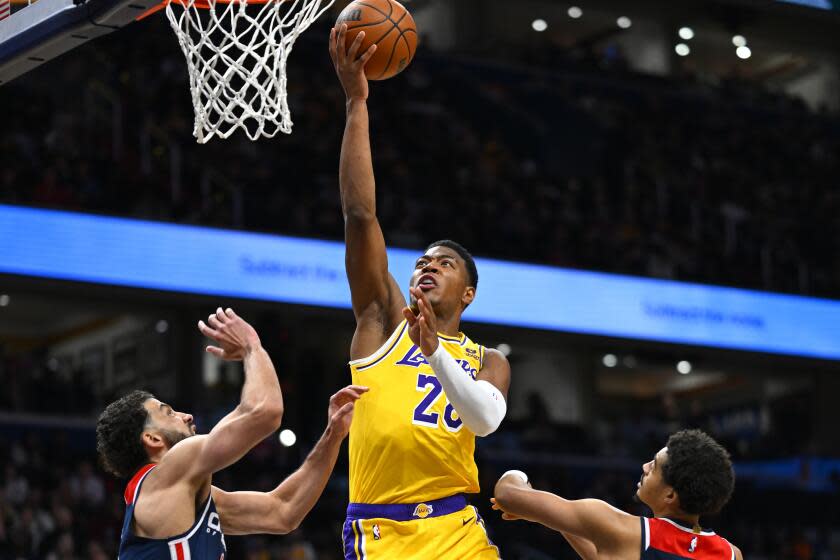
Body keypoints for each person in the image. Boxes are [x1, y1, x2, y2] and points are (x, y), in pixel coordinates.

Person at [328, 24, 511, 559]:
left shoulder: (489, 360)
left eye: (445, 263)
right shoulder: (381, 320)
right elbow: (360, 216)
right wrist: (357, 103)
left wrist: (433, 351)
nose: (428, 267)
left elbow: (484, 420)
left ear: (468, 294)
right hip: (382, 533)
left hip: (458, 528)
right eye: (422, 261)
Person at [95, 307, 368, 558]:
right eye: (168, 413)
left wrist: (333, 436)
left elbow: (283, 511)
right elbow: (263, 412)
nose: (186, 415)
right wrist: (252, 347)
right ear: (152, 439)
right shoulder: (169, 471)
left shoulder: (182, 494)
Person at [492, 429, 743, 560]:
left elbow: (506, 494)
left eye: (654, 466)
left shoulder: (623, 530)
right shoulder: (730, 554)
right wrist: (552, 518)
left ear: (670, 496)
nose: (645, 467)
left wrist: (519, 478)